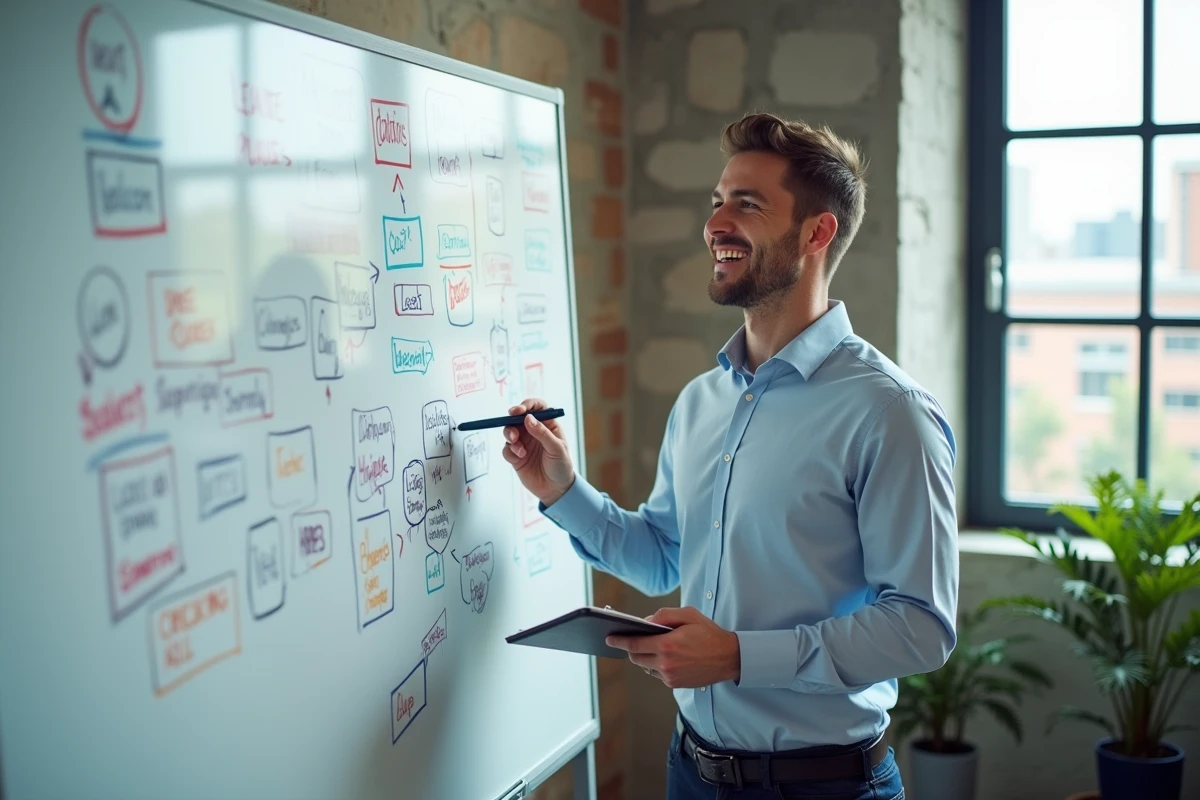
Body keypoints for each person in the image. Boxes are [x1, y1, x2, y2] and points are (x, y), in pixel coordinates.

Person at [501, 111, 958, 800]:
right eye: (717, 202)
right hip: (692, 772)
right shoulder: (700, 402)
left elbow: (921, 627)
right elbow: (660, 557)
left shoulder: (888, 411)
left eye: (746, 204)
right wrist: (564, 491)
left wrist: (741, 656)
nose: (715, 224)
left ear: (817, 232)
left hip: (823, 788)